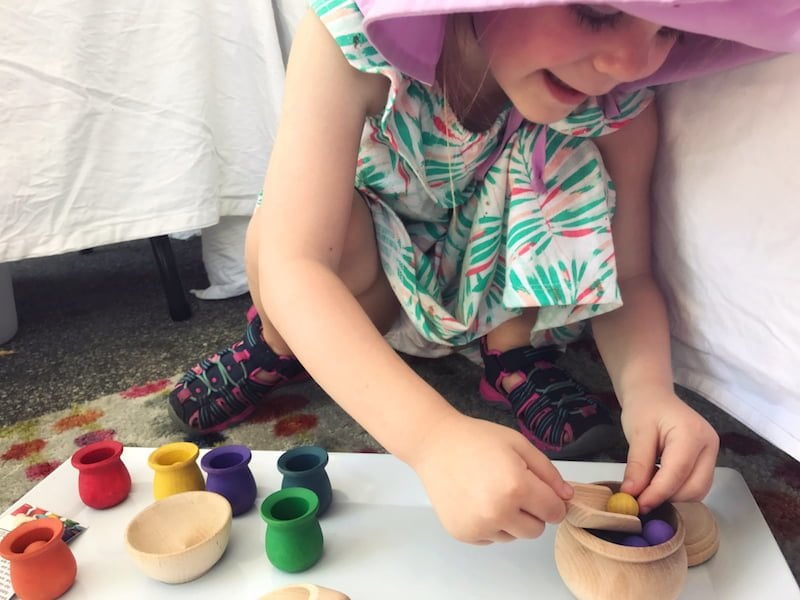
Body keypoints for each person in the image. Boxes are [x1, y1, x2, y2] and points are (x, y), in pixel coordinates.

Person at [168, 1, 796, 544]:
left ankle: (513, 359)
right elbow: (294, 260)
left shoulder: (618, 104)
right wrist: (432, 437)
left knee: (560, 147)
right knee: (283, 238)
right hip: (368, 287)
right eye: (597, 12)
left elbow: (629, 274)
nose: (633, 62)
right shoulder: (353, 38)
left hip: (476, 298)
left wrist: (650, 392)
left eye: (666, 31)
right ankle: (274, 345)